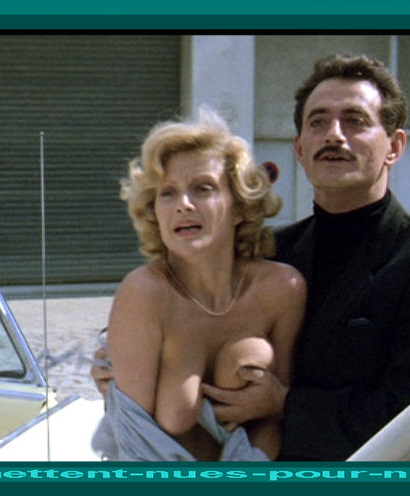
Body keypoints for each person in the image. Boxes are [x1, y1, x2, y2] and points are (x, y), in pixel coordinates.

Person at [93, 54, 410, 461]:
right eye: (318, 122)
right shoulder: (270, 252)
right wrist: (123, 364)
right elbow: (182, 309)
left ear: (394, 147)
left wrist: (284, 404)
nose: (334, 135)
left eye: (355, 121)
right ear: (299, 148)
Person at [94, 108, 306, 461]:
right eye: (168, 193)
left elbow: (273, 417)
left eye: (203, 188)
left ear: (240, 207)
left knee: (250, 354)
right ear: (154, 211)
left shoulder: (282, 288)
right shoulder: (144, 293)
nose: (184, 205)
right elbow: (136, 445)